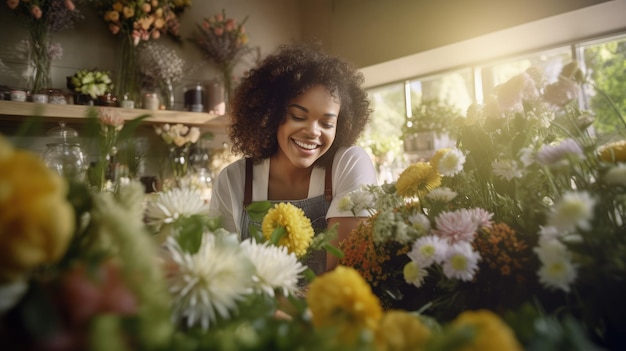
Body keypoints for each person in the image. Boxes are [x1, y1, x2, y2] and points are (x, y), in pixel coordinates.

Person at [209, 42, 378, 274]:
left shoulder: (348, 164)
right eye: (298, 116)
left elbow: (344, 276)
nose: (313, 131)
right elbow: (221, 276)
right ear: (272, 113)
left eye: (327, 123)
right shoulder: (233, 180)